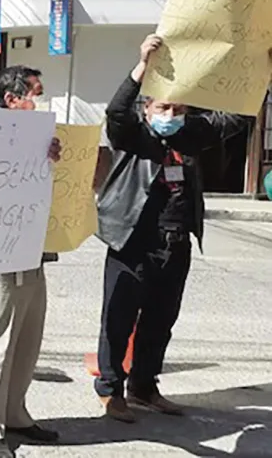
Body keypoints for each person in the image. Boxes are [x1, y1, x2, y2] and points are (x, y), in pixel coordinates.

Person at [94, 34, 252, 423]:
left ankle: (145, 386)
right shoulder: (133, 135)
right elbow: (116, 112)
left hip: (176, 242)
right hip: (131, 239)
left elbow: (237, 117)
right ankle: (110, 390)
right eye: (163, 106)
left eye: (178, 108)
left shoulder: (189, 135)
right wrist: (142, 65)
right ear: (147, 109)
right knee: (118, 319)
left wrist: (256, 71)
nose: (171, 113)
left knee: (161, 320)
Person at [0, 66, 62, 458]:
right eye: (36, 92)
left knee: (25, 341)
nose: (43, 99)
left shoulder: (38, 139)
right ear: (11, 99)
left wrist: (53, 160)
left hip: (32, 253)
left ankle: (14, 413)